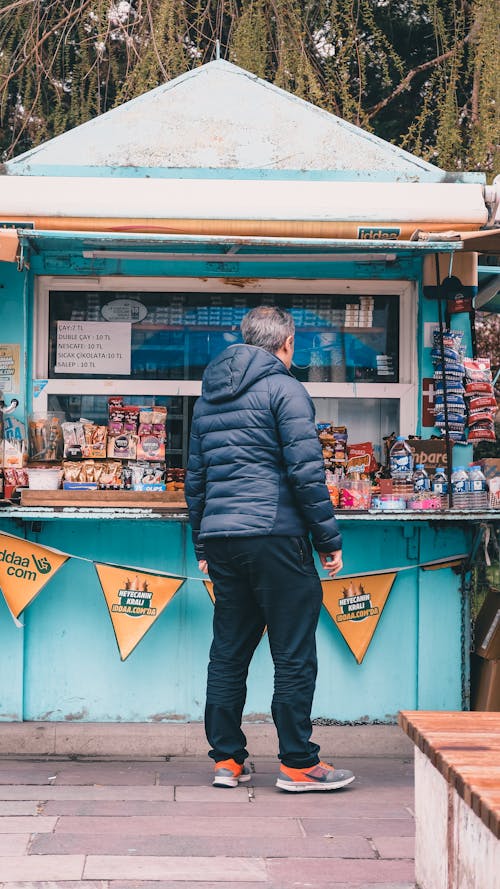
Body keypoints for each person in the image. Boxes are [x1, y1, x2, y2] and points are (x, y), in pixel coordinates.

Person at [185, 305, 355, 793]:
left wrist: (203, 541)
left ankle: (227, 761)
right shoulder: (286, 388)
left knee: (229, 651)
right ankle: (299, 764)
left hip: (222, 539)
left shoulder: (209, 397)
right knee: (293, 653)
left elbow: (196, 480)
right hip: (275, 536)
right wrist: (327, 539)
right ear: (286, 343)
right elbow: (306, 473)